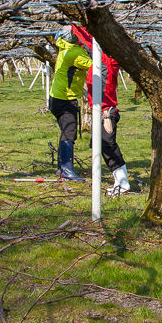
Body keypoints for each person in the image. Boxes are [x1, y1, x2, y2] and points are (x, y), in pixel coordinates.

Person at [73, 25, 130, 195]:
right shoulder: (97, 61)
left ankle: (124, 184)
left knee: (107, 145)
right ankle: (119, 180)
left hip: (107, 112)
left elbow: (90, 42)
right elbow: (89, 44)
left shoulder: (107, 60)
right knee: (97, 144)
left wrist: (76, 28)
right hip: (102, 111)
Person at [48, 27, 92, 181]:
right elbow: (94, 64)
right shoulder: (74, 53)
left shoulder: (64, 47)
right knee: (69, 133)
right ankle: (67, 170)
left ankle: (62, 168)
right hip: (65, 99)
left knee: (65, 132)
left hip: (57, 97)